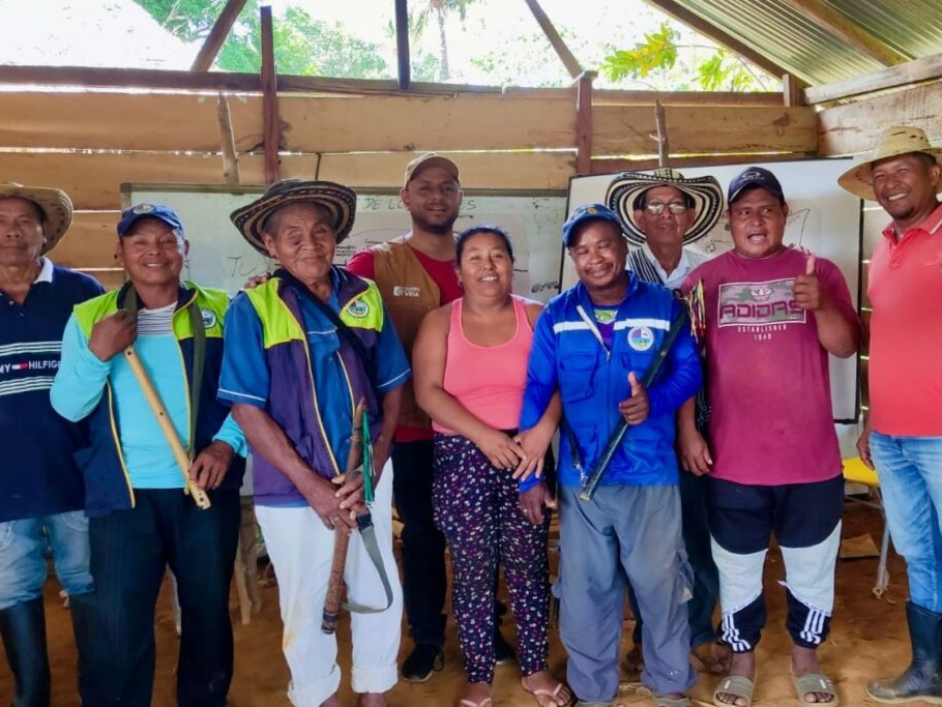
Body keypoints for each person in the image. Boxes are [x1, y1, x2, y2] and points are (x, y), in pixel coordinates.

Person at [50, 203, 247, 707]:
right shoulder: (91, 317)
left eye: (166, 239)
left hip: (203, 491)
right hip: (122, 496)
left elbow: (250, 392)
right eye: (139, 242)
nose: (154, 251)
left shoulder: (224, 310)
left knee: (206, 613)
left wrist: (227, 444)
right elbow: (69, 406)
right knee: (118, 621)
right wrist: (97, 354)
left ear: (185, 249)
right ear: (120, 253)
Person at [222, 179, 409, 707]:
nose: (310, 244)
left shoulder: (363, 297)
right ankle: (318, 696)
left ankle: (374, 693)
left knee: (375, 583)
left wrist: (373, 462)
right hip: (291, 485)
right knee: (306, 600)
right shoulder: (252, 307)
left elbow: (392, 390)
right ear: (270, 244)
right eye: (294, 235)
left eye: (320, 232)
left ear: (336, 239)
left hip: (366, 474)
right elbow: (245, 408)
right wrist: (313, 486)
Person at [680, 167, 860, 707]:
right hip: (734, 461)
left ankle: (806, 657)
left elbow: (847, 345)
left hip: (810, 460)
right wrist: (688, 431)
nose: (755, 220)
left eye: (766, 209)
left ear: (783, 216)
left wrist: (822, 302)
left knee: (811, 564)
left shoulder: (819, 271)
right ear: (730, 222)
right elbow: (687, 366)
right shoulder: (704, 281)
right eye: (744, 211)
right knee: (736, 567)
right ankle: (742, 659)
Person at [522, 203, 702, 707]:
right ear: (573, 258)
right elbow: (538, 391)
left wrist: (655, 402)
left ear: (624, 248)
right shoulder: (557, 316)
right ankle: (593, 691)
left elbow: (688, 372)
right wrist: (527, 479)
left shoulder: (664, 305)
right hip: (582, 483)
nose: (594, 257)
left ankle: (669, 685)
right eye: (582, 250)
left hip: (650, 475)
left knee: (660, 585)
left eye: (603, 245)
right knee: (585, 593)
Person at [346, 153, 514, 680]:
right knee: (422, 534)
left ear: (461, 197)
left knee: (482, 535)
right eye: (424, 187)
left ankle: (484, 630)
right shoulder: (375, 265)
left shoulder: (480, 259)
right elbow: (325, 304)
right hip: (412, 429)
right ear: (405, 197)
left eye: (447, 186)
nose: (436, 195)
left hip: (482, 433)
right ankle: (427, 636)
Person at [412, 225, 571, 707]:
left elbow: (562, 381)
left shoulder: (536, 316)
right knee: (473, 568)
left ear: (511, 264)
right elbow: (427, 393)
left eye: (497, 255)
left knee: (528, 566)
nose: (488, 266)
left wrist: (541, 434)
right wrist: (482, 436)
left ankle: (535, 668)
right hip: (463, 455)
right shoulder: (440, 322)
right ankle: (480, 673)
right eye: (475, 258)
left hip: (527, 453)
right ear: (459, 271)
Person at [606, 169, 730, 675]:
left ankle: (699, 629)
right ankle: (647, 636)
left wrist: (693, 426)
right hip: (633, 423)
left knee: (698, 529)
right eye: (653, 206)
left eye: (675, 206)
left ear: (693, 215)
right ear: (637, 217)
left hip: (703, 417)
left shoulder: (710, 272)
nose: (665, 215)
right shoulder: (619, 272)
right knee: (644, 539)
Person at [839, 126, 942, 705]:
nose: (889, 182)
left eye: (902, 169)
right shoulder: (884, 247)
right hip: (897, 434)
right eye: (879, 175)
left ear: (933, 174)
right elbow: (890, 338)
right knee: (920, 552)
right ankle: (929, 671)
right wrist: (875, 417)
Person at [0, 183, 102, 707]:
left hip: (77, 474)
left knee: (87, 583)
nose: (12, 231)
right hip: (4, 484)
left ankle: (98, 691)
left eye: (24, 220)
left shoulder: (81, 293)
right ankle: (31, 696)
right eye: (1, 221)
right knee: (12, 589)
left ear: (46, 232)